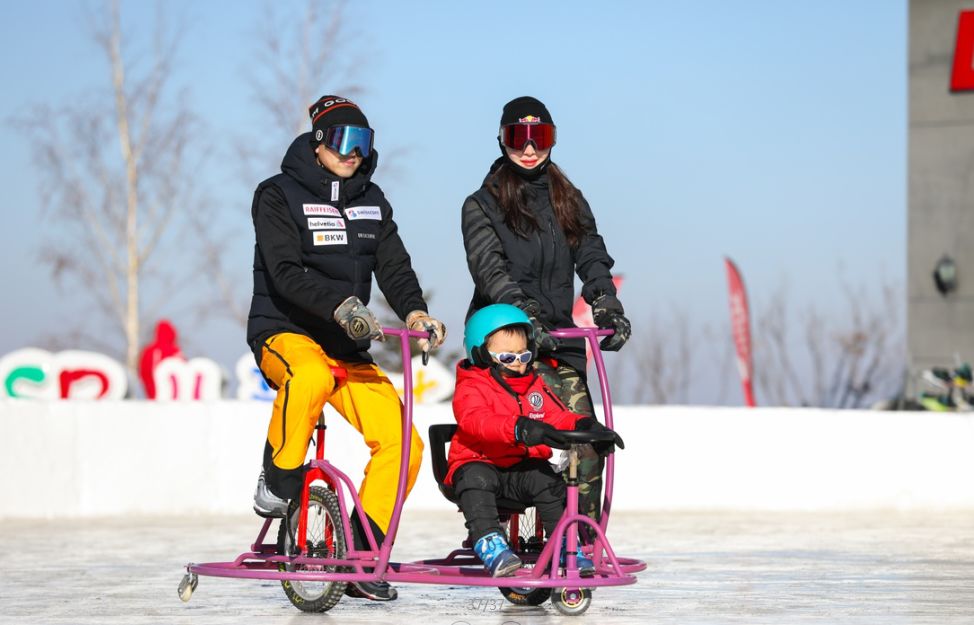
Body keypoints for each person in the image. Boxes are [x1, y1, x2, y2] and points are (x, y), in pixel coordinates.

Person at [246, 95, 446, 602]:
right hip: (287, 331)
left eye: (363, 143)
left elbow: (394, 267)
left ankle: (362, 553)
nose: (353, 152)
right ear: (319, 144)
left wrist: (415, 312)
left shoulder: (372, 201)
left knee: (404, 445)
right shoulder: (277, 195)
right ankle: (280, 479)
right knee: (308, 377)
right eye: (342, 141)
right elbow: (285, 272)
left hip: (347, 346)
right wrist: (340, 305)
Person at [460, 96, 632, 537]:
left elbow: (590, 252)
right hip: (506, 341)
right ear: (502, 141)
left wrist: (604, 300)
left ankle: (581, 540)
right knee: (518, 432)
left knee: (585, 438)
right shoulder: (483, 204)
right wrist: (526, 318)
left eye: (541, 137)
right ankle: (496, 509)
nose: (530, 148)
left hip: (559, 337)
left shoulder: (567, 198)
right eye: (519, 137)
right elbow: (490, 268)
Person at [446, 304, 623, 577]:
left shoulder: (533, 384)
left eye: (524, 355)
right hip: (479, 460)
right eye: (507, 356)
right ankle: (489, 542)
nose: (518, 363)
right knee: (475, 479)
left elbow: (556, 416)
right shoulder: (472, 386)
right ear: (481, 354)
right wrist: (520, 428)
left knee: (546, 478)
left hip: (516, 467)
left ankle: (563, 544)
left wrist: (586, 426)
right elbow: (476, 420)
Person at [138, 319, 184, 399]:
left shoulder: (148, 351)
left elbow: (143, 372)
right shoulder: (176, 351)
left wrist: (149, 387)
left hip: (153, 392)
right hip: (174, 395)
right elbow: (183, 372)